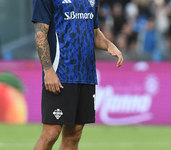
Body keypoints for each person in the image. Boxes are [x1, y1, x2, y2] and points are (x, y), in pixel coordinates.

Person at [31, 0, 124, 150]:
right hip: (60, 74)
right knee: (51, 134)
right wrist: (48, 71)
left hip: (86, 75)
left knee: (74, 135)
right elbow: (41, 33)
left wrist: (108, 45)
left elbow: (94, 32)